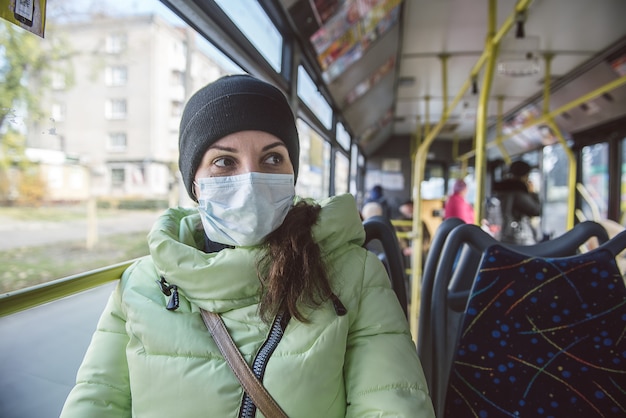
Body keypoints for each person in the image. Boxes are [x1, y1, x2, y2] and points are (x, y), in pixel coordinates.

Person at [60, 75, 435, 417]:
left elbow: (392, 405)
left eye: (272, 158)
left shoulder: (355, 274)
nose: (251, 179)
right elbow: (97, 401)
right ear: (194, 184)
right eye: (224, 161)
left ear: (292, 174)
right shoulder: (140, 285)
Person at [492, 160, 542, 245]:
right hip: (517, 237)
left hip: (500, 234)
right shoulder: (518, 194)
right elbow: (536, 210)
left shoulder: (500, 191)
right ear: (524, 176)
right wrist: (533, 193)